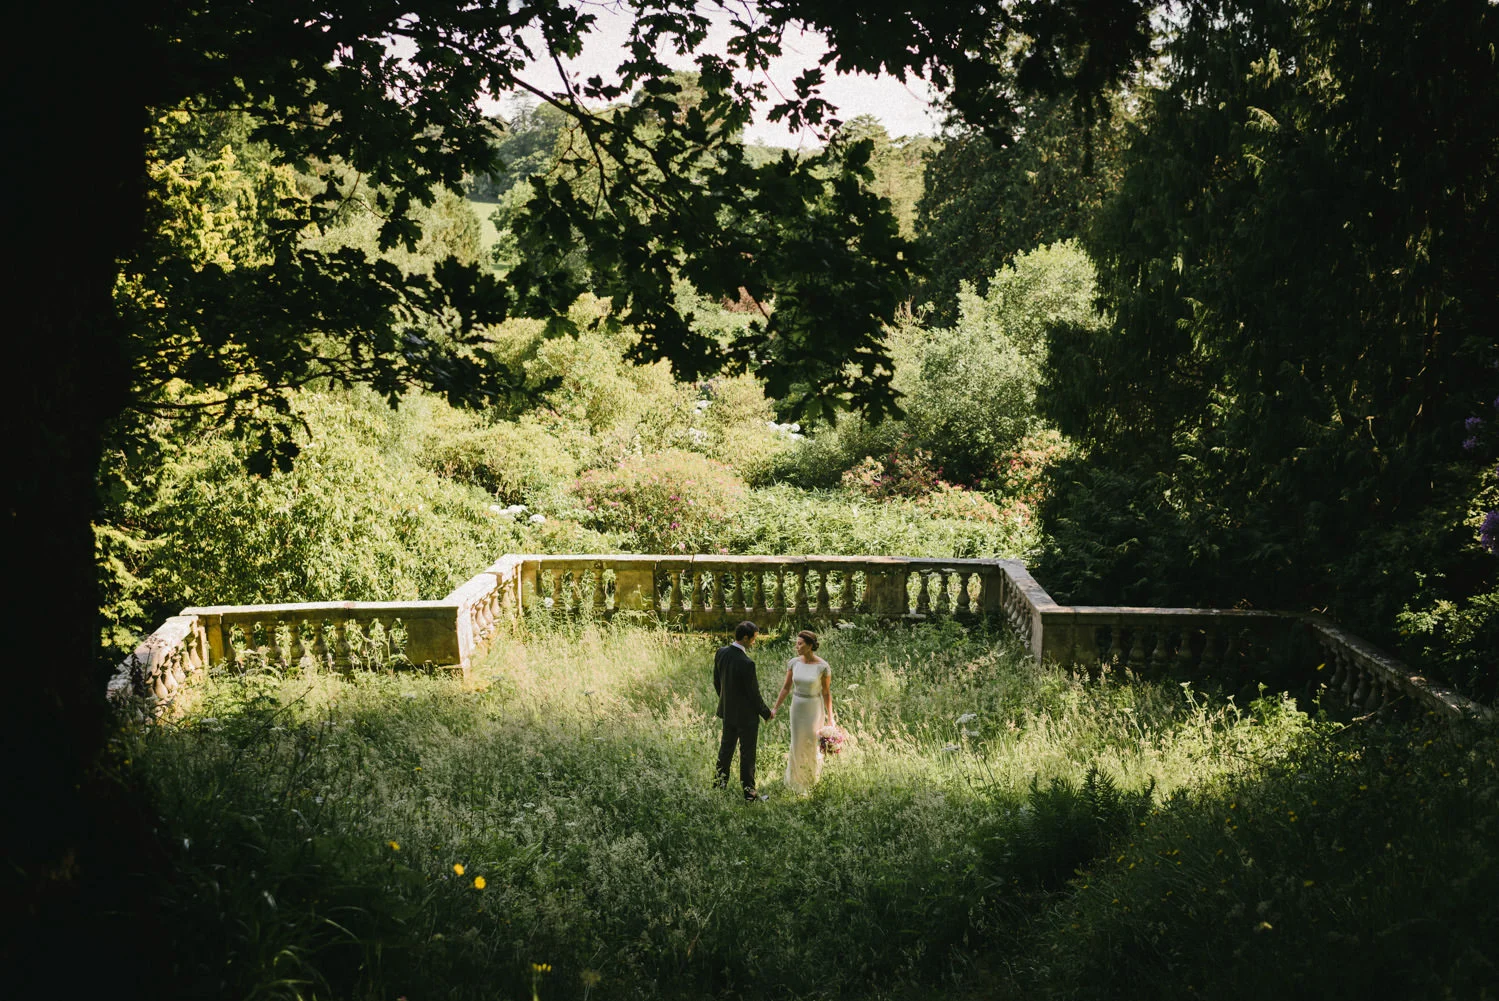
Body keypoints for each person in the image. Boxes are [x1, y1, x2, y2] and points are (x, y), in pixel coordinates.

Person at [713, 621, 774, 801]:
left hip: (728, 712)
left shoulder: (721, 652)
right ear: (745, 638)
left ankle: (718, 787)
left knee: (725, 751)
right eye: (753, 639)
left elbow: (717, 681)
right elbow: (753, 694)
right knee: (747, 754)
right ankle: (749, 793)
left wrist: (727, 701)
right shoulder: (747, 663)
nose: (754, 642)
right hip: (746, 717)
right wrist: (766, 713)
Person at [771, 629, 832, 794]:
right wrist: (775, 708)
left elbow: (826, 693)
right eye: (796, 644)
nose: (796, 647)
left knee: (811, 742)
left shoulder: (823, 666)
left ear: (810, 646)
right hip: (797, 706)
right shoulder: (794, 663)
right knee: (797, 741)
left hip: (814, 707)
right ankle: (795, 779)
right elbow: (786, 688)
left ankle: (811, 778)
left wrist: (830, 718)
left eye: (800, 644)